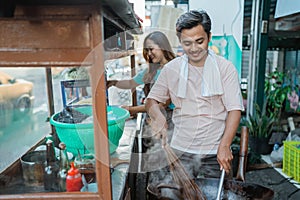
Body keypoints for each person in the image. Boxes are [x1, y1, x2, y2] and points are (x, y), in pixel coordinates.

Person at [145, 10, 244, 178]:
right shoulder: (171, 69)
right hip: (180, 151)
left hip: (215, 152)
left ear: (209, 36)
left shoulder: (225, 68)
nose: (194, 49)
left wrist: (226, 145)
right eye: (187, 43)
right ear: (179, 41)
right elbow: (151, 100)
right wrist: (159, 117)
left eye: (199, 41)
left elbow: (234, 109)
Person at [107, 31, 176, 116]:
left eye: (151, 49)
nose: (149, 53)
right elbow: (130, 83)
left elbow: (162, 104)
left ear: (162, 47)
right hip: (152, 117)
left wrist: (132, 110)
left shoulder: (174, 69)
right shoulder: (151, 71)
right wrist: (113, 82)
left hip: (170, 119)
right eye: (147, 50)